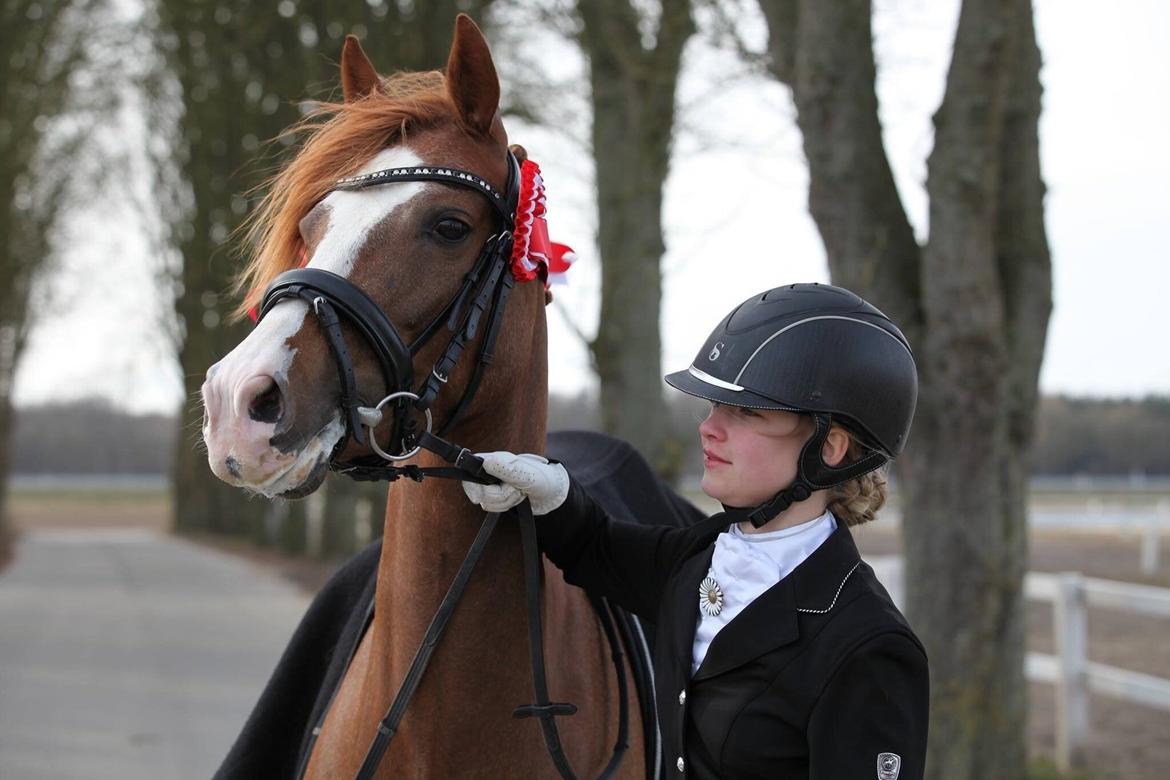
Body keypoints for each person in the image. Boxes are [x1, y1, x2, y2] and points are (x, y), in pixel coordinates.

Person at [463, 282, 929, 779]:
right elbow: (595, 547)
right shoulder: (704, 551)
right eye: (713, 407)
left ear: (830, 447)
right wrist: (552, 492)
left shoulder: (868, 647)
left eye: (746, 412)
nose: (709, 428)